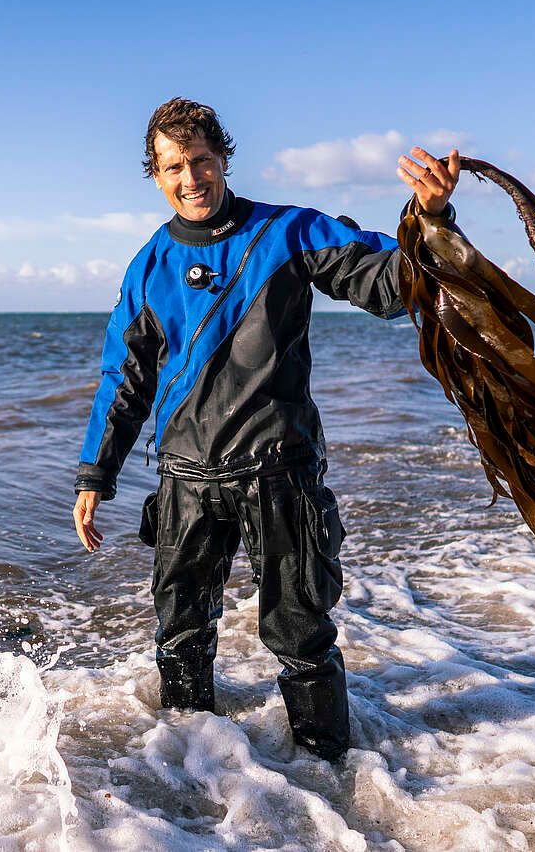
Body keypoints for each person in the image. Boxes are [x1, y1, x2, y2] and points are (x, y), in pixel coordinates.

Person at [71, 97, 460, 761]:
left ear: (223, 159)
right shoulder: (146, 269)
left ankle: (330, 780)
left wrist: (431, 218)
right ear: (156, 176)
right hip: (185, 485)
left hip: (280, 476)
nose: (190, 177)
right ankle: (192, 784)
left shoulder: (290, 232)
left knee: (301, 638)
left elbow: (392, 290)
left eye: (200, 161)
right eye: (173, 167)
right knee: (181, 639)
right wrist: (95, 475)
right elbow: (124, 382)